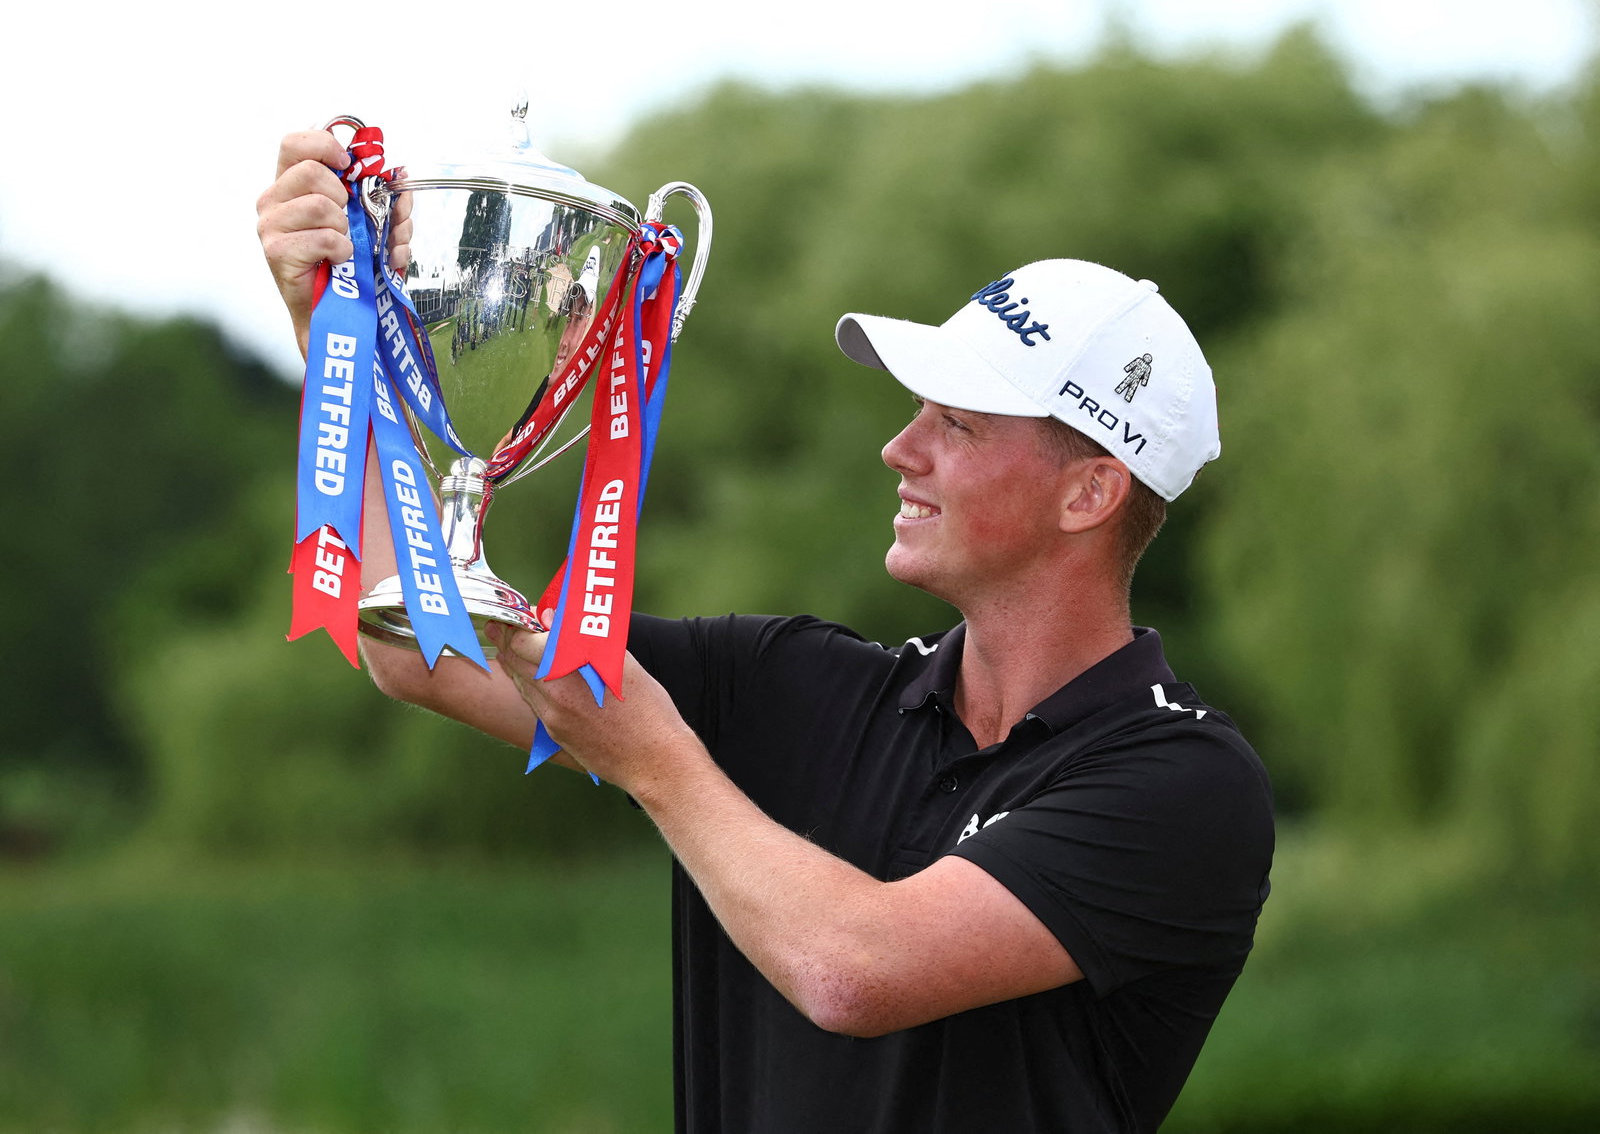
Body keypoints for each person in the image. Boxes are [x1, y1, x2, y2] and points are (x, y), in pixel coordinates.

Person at [257, 130, 1274, 1133]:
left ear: (1088, 492)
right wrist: (334, 334)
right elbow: (419, 644)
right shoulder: (795, 683)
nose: (898, 446)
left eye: (955, 423)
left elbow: (853, 969)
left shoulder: (1181, 779)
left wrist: (658, 761)